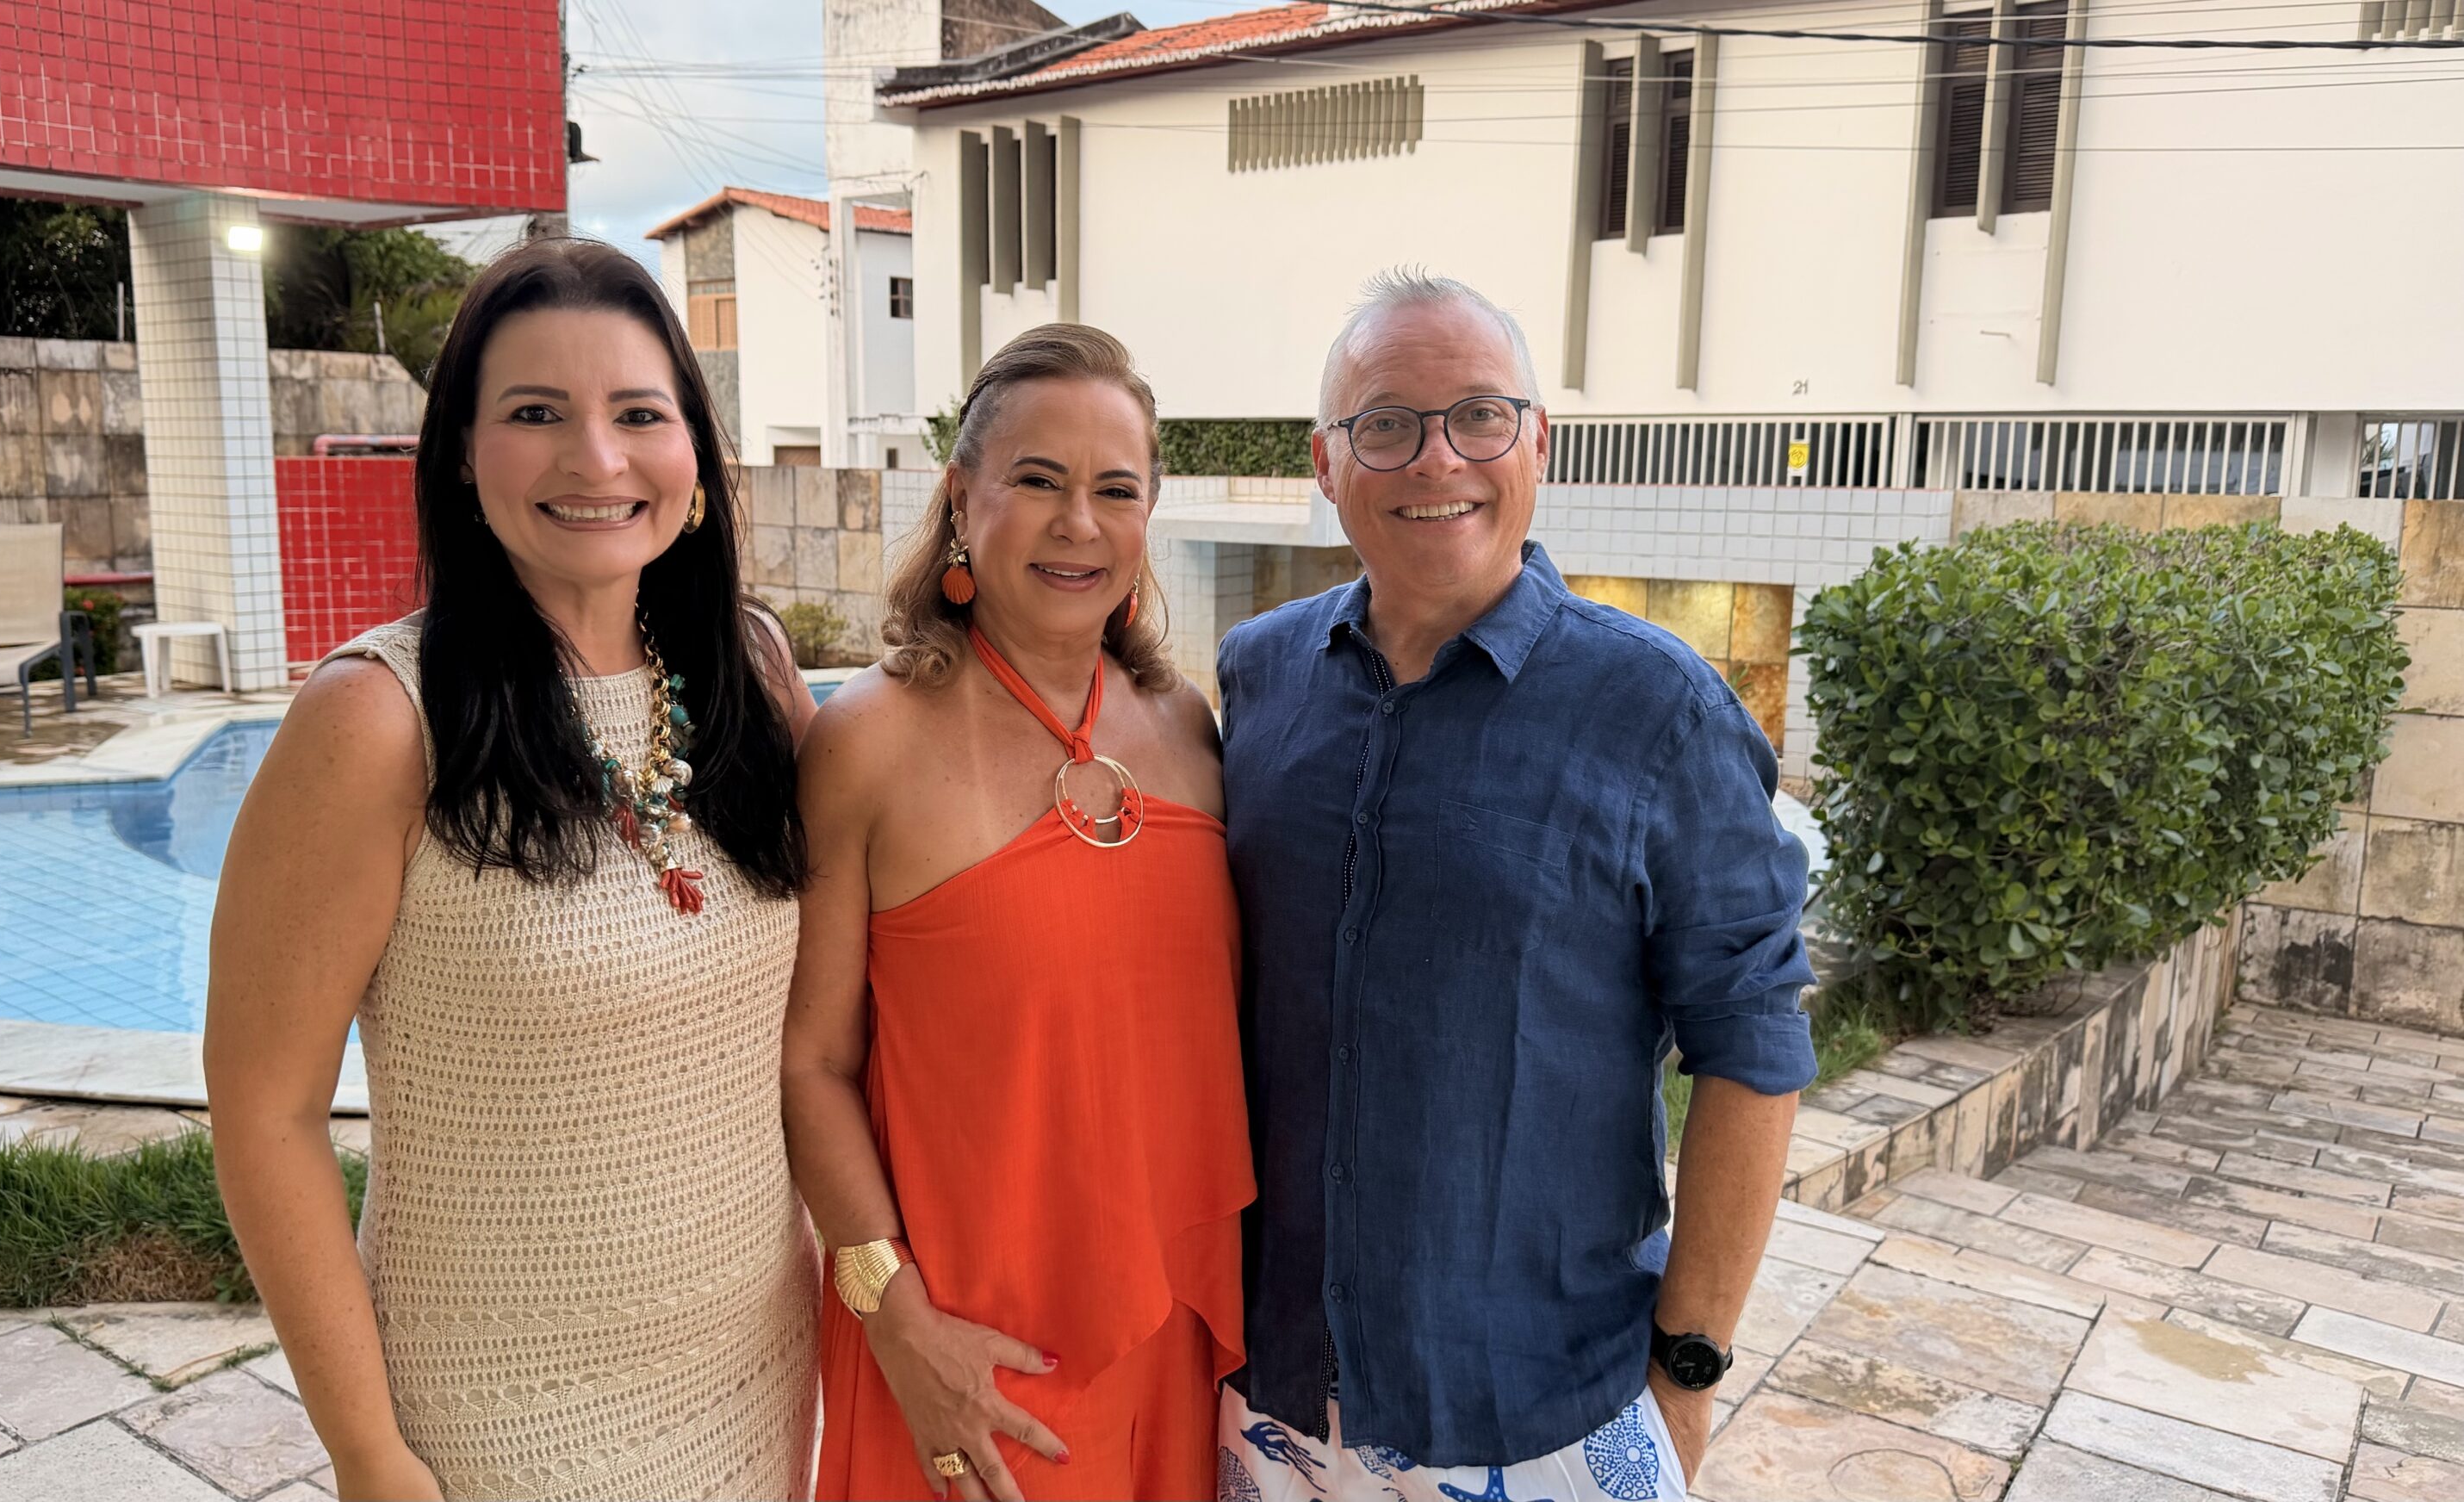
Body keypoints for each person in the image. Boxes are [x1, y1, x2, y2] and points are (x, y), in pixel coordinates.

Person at [206, 239, 820, 1502]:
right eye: (536, 414)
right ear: (461, 454)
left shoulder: (752, 675)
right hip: (499, 1410)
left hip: (760, 1367)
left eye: (638, 414)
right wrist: (368, 1453)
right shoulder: (378, 719)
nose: (596, 459)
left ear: (694, 454)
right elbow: (265, 1112)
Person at [1213, 272, 1815, 1502]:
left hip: (1543, 1414)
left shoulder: (1658, 709)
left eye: (1480, 416)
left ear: (1540, 443)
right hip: (1272, 1405)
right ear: (1326, 464)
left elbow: (1753, 1045)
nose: (1439, 458)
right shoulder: (1259, 675)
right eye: (1386, 423)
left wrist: (1688, 1372)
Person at [784, 323, 1254, 1502]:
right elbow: (812, 1065)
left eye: (1115, 490)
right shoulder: (868, 743)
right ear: (961, 497)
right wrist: (896, 1319)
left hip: (1171, 1337)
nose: (1078, 523)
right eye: (1038, 481)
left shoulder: (1187, 728)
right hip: (966, 1358)